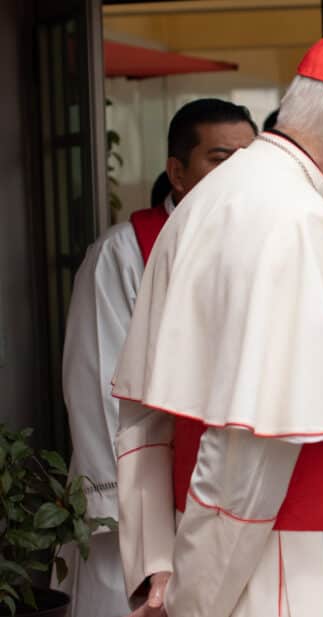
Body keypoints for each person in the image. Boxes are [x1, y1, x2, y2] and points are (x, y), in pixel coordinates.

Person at [111, 26, 323, 617]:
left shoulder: (207, 197)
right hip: (280, 571)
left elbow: (145, 411)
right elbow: (248, 453)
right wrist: (193, 601)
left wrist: (158, 565)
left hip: (209, 549)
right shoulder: (297, 218)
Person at [55, 98, 257, 617]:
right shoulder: (122, 254)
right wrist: (136, 526)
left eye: (248, 159)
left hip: (226, 493)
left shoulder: (261, 249)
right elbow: (101, 384)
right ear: (177, 172)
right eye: (219, 158)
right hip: (139, 502)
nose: (237, 173)